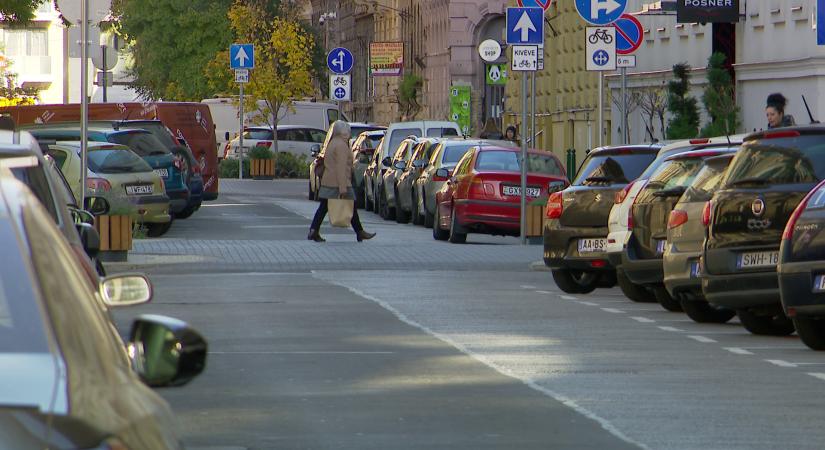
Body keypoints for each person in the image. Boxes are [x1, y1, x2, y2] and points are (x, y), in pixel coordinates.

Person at [308, 120, 375, 243]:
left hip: (328, 181)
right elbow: (341, 167)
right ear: (344, 131)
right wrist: (343, 188)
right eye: (348, 130)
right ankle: (360, 232)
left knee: (324, 207)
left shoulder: (332, 143)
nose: (349, 133)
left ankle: (314, 230)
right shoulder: (342, 146)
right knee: (352, 205)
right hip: (340, 182)